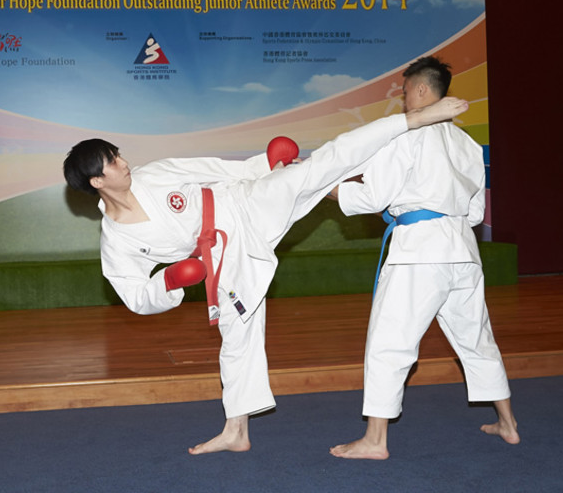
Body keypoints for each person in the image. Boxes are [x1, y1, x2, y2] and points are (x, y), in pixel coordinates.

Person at [63, 95, 468, 455]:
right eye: (113, 162)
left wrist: (266, 167)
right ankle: (235, 431)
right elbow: (134, 295)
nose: (124, 162)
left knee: (320, 165)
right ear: (97, 181)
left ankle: (411, 122)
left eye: (118, 154)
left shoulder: (154, 176)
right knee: (237, 337)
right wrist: (167, 283)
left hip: (244, 205)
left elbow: (213, 168)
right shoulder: (117, 240)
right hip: (221, 258)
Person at [327, 57, 519, 460]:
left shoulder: (403, 137)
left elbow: (373, 197)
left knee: (389, 343)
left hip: (418, 252)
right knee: (477, 339)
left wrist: (324, 188)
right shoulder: (467, 144)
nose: (401, 100)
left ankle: (375, 441)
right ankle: (508, 422)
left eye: (403, 91)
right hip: (462, 253)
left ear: (420, 90)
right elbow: (476, 214)